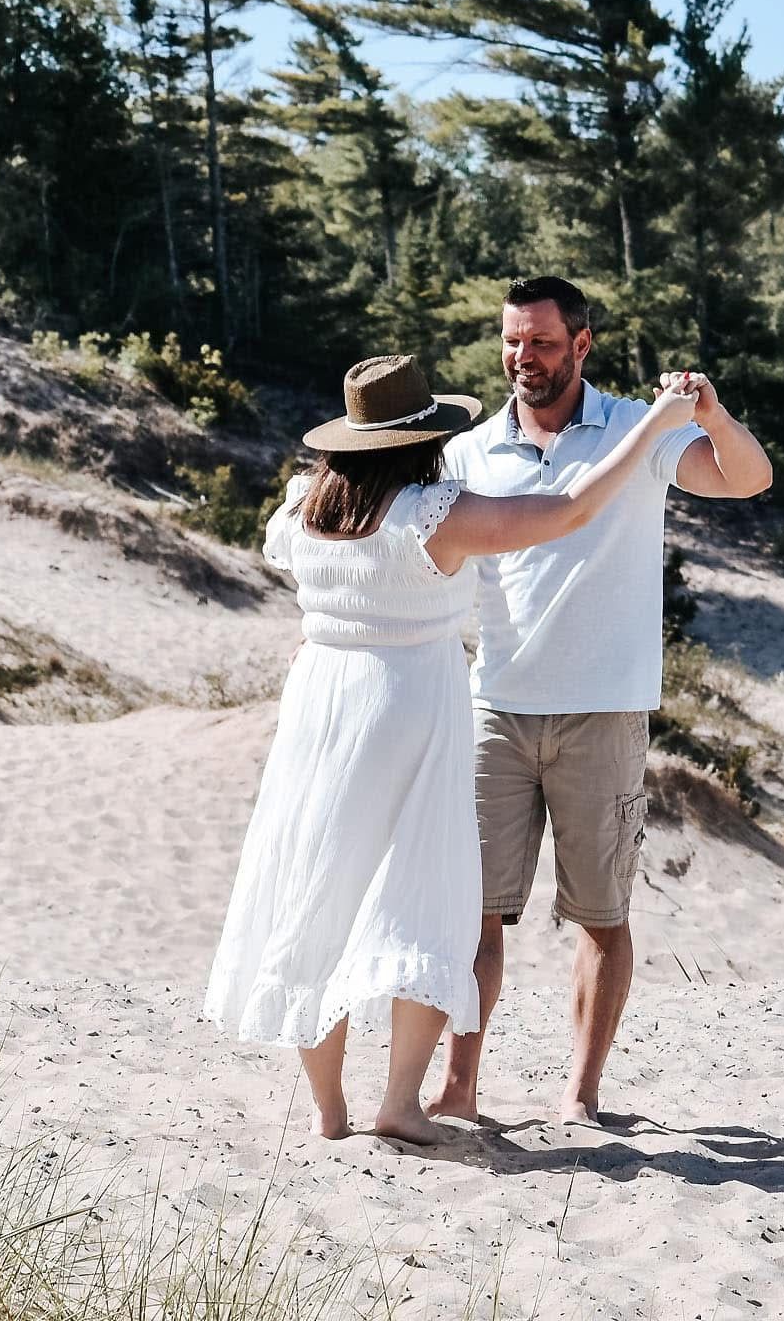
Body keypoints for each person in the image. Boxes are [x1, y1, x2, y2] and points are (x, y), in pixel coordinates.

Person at [204, 350, 700, 1146]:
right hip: (412, 711)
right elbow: (569, 509)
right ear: (420, 442)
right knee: (426, 900)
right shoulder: (433, 513)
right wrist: (651, 428)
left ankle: (328, 1111)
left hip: (318, 709)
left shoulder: (306, 506)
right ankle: (400, 1103)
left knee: (314, 892)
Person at [428, 275, 774, 1131]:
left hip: (605, 711)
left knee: (600, 914)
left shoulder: (635, 428)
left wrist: (711, 415)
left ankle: (580, 1097)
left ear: (581, 345)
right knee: (470, 911)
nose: (522, 358)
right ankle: (457, 1090)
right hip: (494, 709)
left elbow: (746, 480)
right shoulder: (469, 452)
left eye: (541, 342)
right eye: (512, 341)